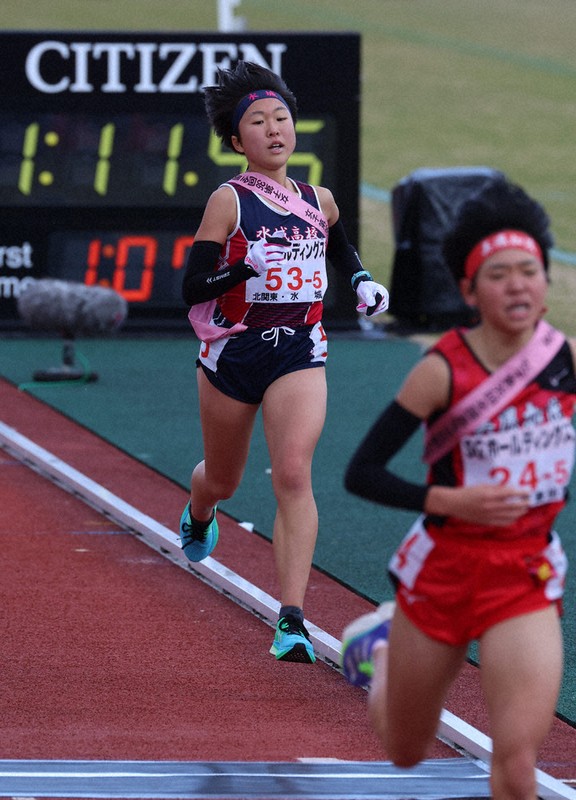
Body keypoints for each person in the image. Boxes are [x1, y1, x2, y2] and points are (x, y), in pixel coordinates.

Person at [341, 176, 576, 799]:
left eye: (528, 271)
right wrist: (452, 501)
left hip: (523, 574)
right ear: (469, 290)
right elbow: (361, 472)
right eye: (499, 274)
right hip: (443, 569)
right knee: (405, 749)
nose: (517, 285)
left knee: (517, 764)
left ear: (546, 280)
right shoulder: (440, 371)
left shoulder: (567, 362)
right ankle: (380, 649)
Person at [179, 60, 388, 663]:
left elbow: (339, 247)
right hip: (233, 352)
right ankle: (200, 508)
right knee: (224, 478)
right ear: (236, 140)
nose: (274, 129)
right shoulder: (228, 201)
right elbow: (192, 288)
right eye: (258, 122)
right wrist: (242, 270)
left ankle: (291, 618)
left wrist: (362, 281)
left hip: (299, 347)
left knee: (293, 473)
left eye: (281, 118)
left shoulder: (318, 199)